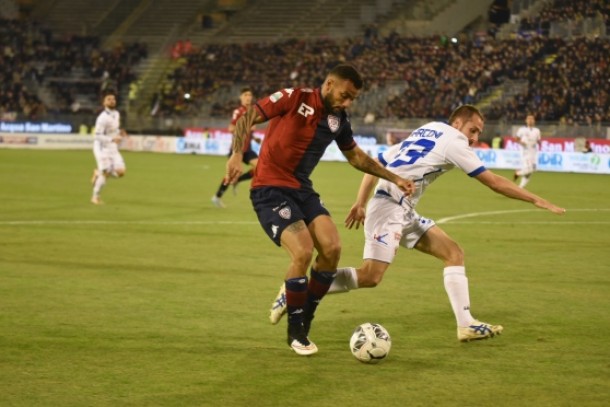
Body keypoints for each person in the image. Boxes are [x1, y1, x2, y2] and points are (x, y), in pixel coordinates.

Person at [269, 105, 566, 342]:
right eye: (473, 130)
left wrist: (360, 202)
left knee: (453, 253)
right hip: (389, 207)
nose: (474, 137)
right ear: (459, 124)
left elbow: (378, 162)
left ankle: (466, 324)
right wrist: (536, 200)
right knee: (371, 276)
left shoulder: (430, 129)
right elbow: (493, 182)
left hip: (400, 206)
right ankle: (296, 290)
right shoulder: (456, 141)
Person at [225, 64, 415, 356]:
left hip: (302, 189)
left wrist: (395, 178)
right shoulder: (293, 98)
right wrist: (237, 154)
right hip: (270, 188)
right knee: (302, 251)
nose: (347, 102)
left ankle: (305, 318)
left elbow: (356, 158)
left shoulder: (339, 120)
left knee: (332, 248)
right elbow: (247, 118)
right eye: (345, 94)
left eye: (353, 98)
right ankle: (295, 332)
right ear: (328, 84)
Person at [212, 87, 259, 208]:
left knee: (261, 167)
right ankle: (217, 196)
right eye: (245, 95)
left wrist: (254, 138)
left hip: (247, 149)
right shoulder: (238, 111)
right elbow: (231, 129)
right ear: (241, 97)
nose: (248, 97)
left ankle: (238, 180)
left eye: (249, 95)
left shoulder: (253, 111)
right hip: (237, 149)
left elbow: (247, 131)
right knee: (231, 174)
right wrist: (248, 127)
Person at [91, 90, 127, 205]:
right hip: (102, 148)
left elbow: (114, 129)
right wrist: (111, 139)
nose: (112, 101)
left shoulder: (116, 114)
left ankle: (98, 173)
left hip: (113, 147)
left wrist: (120, 132)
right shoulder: (101, 118)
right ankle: (95, 196)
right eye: (109, 99)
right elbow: (97, 136)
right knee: (106, 172)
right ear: (104, 102)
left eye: (113, 99)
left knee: (121, 172)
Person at [513, 114, 541, 188]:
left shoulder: (537, 130)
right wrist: (521, 142)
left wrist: (539, 143)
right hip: (525, 151)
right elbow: (516, 138)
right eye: (529, 119)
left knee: (532, 170)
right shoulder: (522, 129)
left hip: (533, 151)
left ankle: (520, 187)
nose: (530, 120)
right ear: (526, 120)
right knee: (529, 168)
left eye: (532, 119)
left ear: (534, 121)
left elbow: (538, 140)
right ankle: (518, 173)